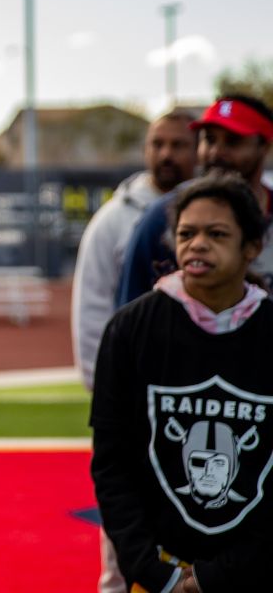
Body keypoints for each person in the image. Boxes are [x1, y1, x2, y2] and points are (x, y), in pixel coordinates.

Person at [91, 172, 272, 593]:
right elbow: (111, 463)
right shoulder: (130, 329)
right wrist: (157, 573)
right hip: (157, 574)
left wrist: (215, 576)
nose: (198, 243)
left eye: (217, 233)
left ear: (252, 247)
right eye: (186, 233)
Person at [71, 112, 196, 592]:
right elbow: (90, 309)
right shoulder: (114, 219)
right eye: (156, 144)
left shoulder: (221, 211)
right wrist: (104, 392)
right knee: (123, 515)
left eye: (178, 144)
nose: (166, 154)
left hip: (198, 394)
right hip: (134, 399)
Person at [117, 96, 273, 306]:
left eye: (233, 141)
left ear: (264, 146)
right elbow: (131, 313)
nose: (216, 152)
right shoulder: (163, 215)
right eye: (209, 139)